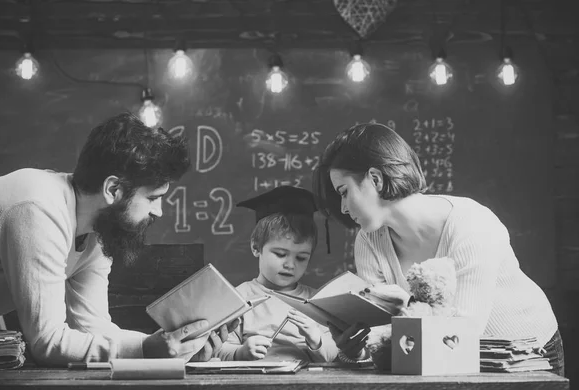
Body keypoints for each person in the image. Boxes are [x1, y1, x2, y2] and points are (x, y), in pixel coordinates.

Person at [0, 112, 237, 366]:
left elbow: (94, 327)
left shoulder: (98, 230)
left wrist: (178, 349)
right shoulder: (38, 208)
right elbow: (47, 341)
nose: (158, 211)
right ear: (113, 189)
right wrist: (148, 350)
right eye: (153, 198)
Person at [312, 123, 564, 375]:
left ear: (375, 179)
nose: (343, 208)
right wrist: (357, 348)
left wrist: (399, 315)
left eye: (344, 192)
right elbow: (383, 330)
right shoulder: (369, 239)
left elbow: (463, 332)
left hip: (525, 353)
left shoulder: (472, 224)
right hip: (443, 358)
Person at [218, 186, 339, 363]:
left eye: (301, 257)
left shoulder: (316, 302)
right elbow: (218, 349)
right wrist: (240, 352)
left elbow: (333, 354)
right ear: (256, 247)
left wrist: (316, 339)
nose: (290, 264)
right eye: (280, 254)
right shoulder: (238, 298)